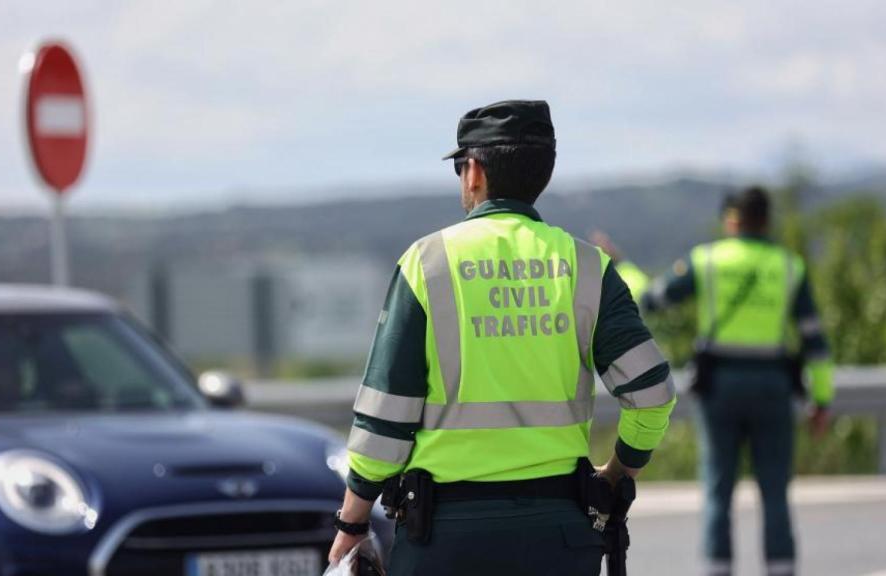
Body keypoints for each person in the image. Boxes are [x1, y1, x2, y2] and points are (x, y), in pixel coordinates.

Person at [327, 100, 677, 576]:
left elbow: (384, 421)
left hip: (444, 540)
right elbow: (653, 393)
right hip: (560, 536)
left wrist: (352, 521)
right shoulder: (588, 266)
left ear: (473, 172)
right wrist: (617, 474)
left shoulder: (427, 264)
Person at [641, 187, 834, 576]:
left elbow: (654, 299)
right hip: (774, 388)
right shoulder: (789, 266)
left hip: (720, 389)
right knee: (775, 492)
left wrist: (624, 269)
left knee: (717, 491)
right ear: (767, 220)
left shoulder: (708, 259)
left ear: (732, 220)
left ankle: (717, 569)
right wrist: (822, 401)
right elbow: (815, 342)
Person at [591, 231, 650, 300]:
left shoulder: (627, 268)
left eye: (607, 243)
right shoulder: (601, 286)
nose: (605, 247)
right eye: (598, 245)